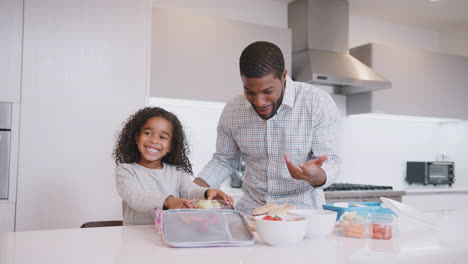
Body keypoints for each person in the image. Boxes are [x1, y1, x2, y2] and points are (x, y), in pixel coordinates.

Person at [194, 41, 341, 215]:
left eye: (267, 91)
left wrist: (314, 175)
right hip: (251, 213)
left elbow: (332, 162)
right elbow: (224, 160)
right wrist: (191, 191)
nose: (259, 102)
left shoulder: (317, 103)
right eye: (250, 92)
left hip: (302, 213)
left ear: (283, 76)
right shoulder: (233, 109)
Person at [113, 107, 233, 225]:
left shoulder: (177, 171)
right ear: (136, 137)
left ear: (170, 146)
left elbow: (190, 190)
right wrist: (168, 201)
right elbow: (137, 198)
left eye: (162, 137)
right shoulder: (125, 170)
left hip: (169, 232)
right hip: (135, 236)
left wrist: (208, 192)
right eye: (148, 133)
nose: (154, 140)